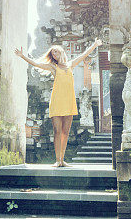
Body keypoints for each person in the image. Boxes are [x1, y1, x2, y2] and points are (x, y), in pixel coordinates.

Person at [15, 39, 102, 167]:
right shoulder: (53, 67)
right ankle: (57, 160)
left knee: (66, 132)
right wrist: (23, 56)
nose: (54, 54)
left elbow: (84, 54)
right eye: (52, 53)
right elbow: (36, 64)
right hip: (57, 101)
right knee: (57, 131)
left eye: (56, 52)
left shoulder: (71, 64)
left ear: (61, 52)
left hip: (69, 101)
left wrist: (94, 45)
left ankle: (62, 159)